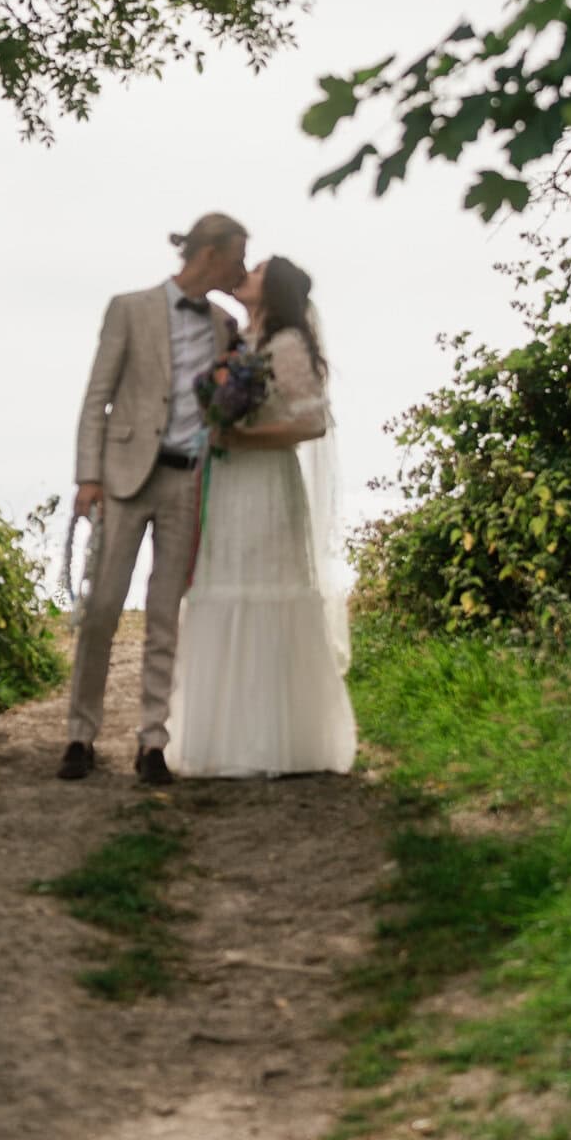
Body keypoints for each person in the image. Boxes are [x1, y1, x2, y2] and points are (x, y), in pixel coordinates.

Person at [57, 213, 247, 785]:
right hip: (122, 477)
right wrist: (88, 477)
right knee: (102, 610)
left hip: (188, 480)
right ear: (209, 254)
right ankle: (79, 735)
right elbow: (97, 396)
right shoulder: (129, 307)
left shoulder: (224, 324)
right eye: (236, 257)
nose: (240, 269)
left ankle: (152, 742)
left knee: (167, 614)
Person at [166, 256, 357, 778]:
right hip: (228, 484)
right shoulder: (242, 343)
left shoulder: (288, 345)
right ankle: (224, 740)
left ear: (271, 290)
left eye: (254, 271)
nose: (243, 275)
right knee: (224, 587)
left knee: (266, 590)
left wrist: (243, 435)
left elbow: (312, 423)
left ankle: (277, 742)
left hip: (266, 482)